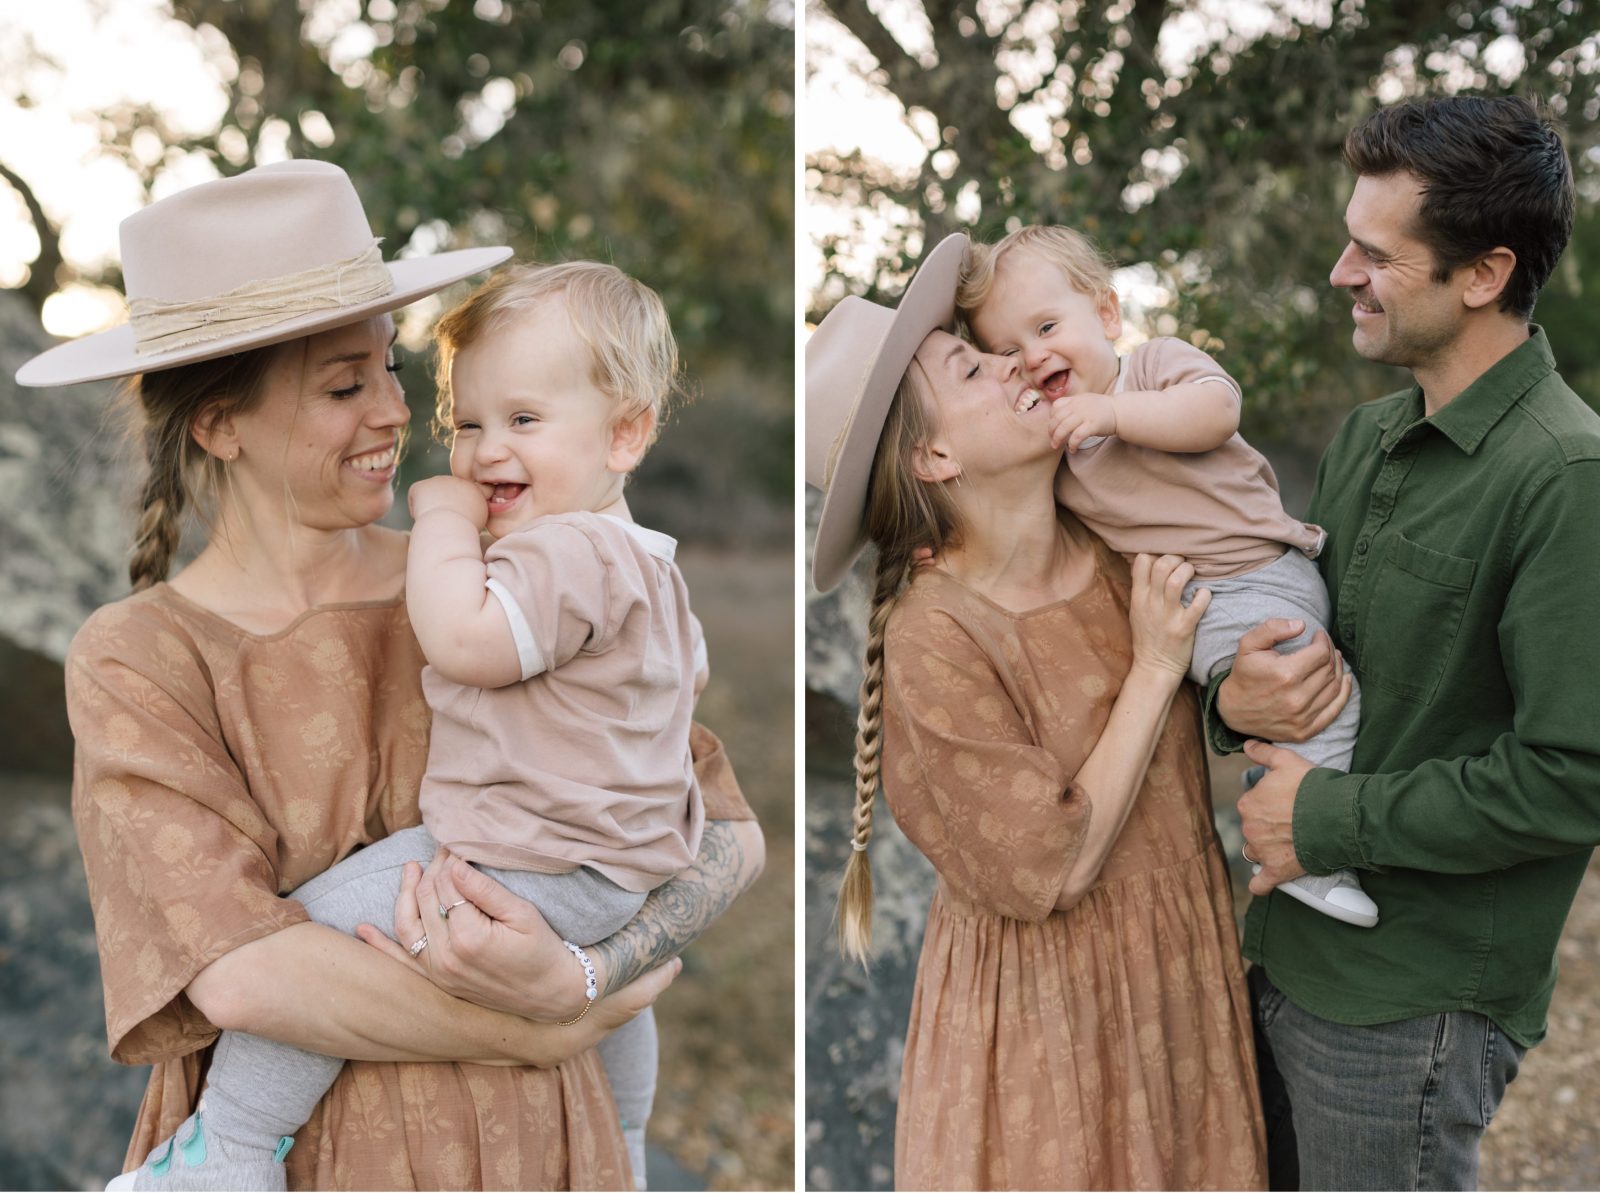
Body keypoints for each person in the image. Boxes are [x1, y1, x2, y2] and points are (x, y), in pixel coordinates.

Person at [18, 160, 763, 1191]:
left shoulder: (499, 590)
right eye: (342, 385)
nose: (393, 415)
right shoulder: (139, 653)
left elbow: (721, 830)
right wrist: (540, 1025)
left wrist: (584, 970)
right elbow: (239, 966)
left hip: (539, 1146)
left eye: (392, 372)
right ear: (219, 422)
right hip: (314, 1158)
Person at [805, 232, 1266, 1189]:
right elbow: (1050, 865)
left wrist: (1262, 686)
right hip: (1051, 1023)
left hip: (1177, 980)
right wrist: (1154, 668)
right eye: (974, 365)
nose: (1017, 362)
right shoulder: (937, 635)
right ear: (932, 453)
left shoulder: (1117, 540)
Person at [1212, 95, 1600, 1189]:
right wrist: (1231, 700)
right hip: (1279, 950)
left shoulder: (1568, 477)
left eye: (1375, 253)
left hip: (1410, 1004)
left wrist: (1323, 818)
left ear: (1482, 274)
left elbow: (1575, 776)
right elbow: (1297, 646)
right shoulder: (1366, 436)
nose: (1341, 272)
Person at [956, 224, 1372, 928]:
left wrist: (1112, 412)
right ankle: (1306, 847)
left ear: (1108, 315)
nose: (1033, 357)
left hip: (1279, 564)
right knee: (1332, 693)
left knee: (1322, 692)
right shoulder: (1057, 458)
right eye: (1006, 352)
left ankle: (1284, 798)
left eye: (1048, 325)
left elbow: (1217, 411)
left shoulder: (1152, 369)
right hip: (1211, 600)